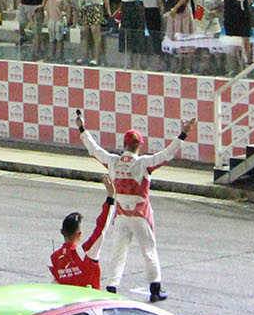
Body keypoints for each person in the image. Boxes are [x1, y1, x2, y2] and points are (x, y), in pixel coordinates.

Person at [74, 109, 194, 302]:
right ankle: (155, 290)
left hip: (121, 216)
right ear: (140, 145)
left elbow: (94, 149)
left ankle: (112, 288)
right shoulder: (144, 163)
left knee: (118, 253)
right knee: (149, 251)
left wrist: (82, 129)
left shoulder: (113, 161)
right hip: (140, 216)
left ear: (124, 144)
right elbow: (167, 154)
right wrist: (183, 133)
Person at [49, 180, 115, 289]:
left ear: (62, 232)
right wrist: (111, 198)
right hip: (91, 299)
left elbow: (52, 288)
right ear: (79, 235)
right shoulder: (87, 252)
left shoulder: (55, 258)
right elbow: (101, 228)